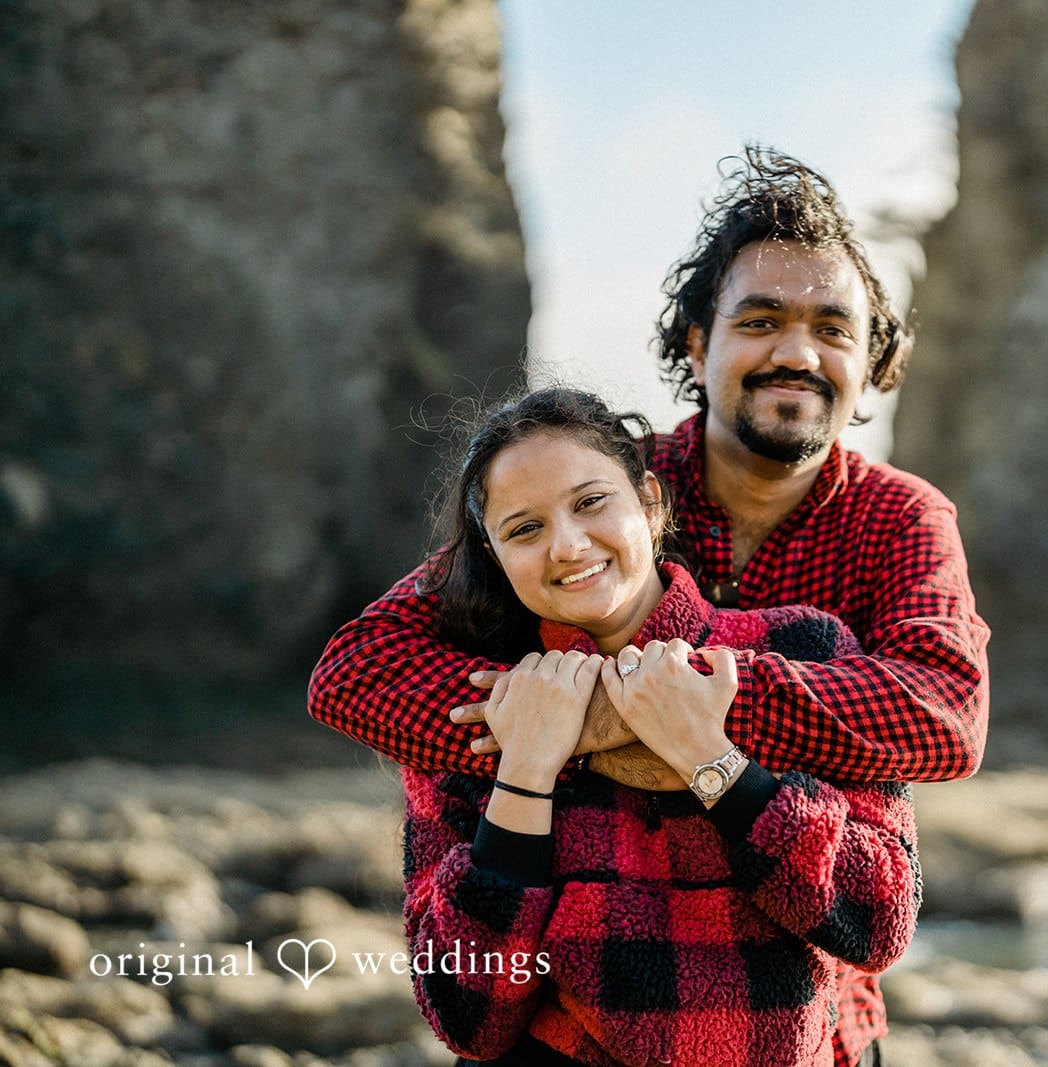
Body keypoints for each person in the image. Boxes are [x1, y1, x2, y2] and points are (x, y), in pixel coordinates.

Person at [309, 146, 988, 1065]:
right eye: (760, 319)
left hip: (812, 998)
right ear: (697, 345)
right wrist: (580, 724)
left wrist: (688, 715)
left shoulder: (898, 518)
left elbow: (944, 716)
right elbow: (358, 669)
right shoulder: (603, 500)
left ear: (870, 360)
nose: (796, 350)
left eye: (833, 326)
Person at [404, 388, 918, 1066]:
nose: (566, 544)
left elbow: (879, 918)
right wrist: (525, 773)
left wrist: (712, 760)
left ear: (649, 501)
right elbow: (468, 1019)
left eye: (590, 502)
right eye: (524, 528)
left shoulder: (804, 647)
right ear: (495, 555)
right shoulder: (483, 699)